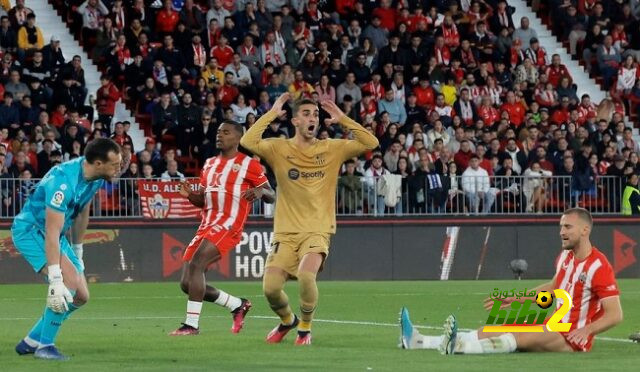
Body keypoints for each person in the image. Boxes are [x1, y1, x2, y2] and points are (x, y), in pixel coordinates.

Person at [240, 93, 379, 345]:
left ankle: (305, 328)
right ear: (294, 121)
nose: (312, 118)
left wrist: (343, 119)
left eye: (315, 114)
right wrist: (272, 113)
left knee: (306, 275)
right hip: (285, 232)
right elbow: (248, 140)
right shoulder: (279, 148)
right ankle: (287, 321)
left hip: (317, 229)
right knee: (270, 289)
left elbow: (370, 142)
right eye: (306, 114)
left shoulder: (331, 149)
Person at [399, 208, 623, 354]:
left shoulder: (599, 266)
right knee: (488, 329)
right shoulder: (565, 256)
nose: (561, 231)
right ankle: (419, 341)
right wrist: (516, 299)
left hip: (573, 339)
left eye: (567, 227)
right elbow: (554, 288)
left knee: (520, 335)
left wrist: (588, 331)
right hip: (554, 327)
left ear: (585, 230)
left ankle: (459, 347)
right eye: (560, 227)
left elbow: (615, 314)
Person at [12, 138, 122, 360]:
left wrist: (78, 251)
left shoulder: (96, 179)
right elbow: (50, 232)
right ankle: (45, 346)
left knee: (81, 296)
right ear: (99, 163)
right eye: (115, 164)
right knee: (67, 281)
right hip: (32, 231)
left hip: (57, 234)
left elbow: (82, 212)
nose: (119, 168)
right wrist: (55, 278)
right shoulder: (63, 182)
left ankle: (32, 340)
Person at [170, 120, 275, 336]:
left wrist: (259, 192)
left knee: (197, 264)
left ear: (238, 138)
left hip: (229, 224)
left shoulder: (249, 164)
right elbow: (204, 201)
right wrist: (190, 195)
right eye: (218, 132)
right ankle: (237, 304)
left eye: (225, 132)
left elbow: (271, 194)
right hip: (207, 223)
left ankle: (191, 325)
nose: (220, 136)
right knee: (186, 283)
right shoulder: (208, 164)